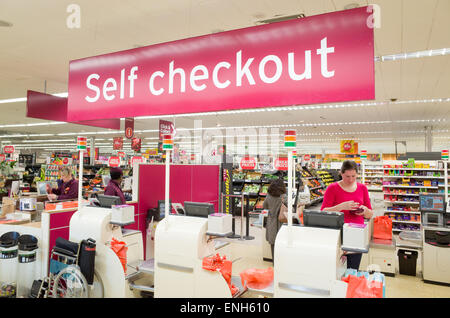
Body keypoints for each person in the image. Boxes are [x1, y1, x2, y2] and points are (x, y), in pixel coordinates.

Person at [321, 160, 373, 270]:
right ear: (341, 173)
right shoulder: (332, 188)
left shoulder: (362, 188)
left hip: (356, 236)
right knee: (336, 271)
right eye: (347, 176)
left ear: (357, 174)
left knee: (353, 270)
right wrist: (341, 206)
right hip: (338, 236)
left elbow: (370, 214)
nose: (350, 180)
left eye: (353, 176)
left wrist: (365, 210)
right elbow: (323, 211)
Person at [263, 179, 303, 262]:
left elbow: (265, 206)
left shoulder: (269, 195)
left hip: (271, 221)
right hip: (281, 222)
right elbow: (291, 209)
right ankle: (281, 262)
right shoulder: (284, 196)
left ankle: (274, 262)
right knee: (281, 243)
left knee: (273, 243)